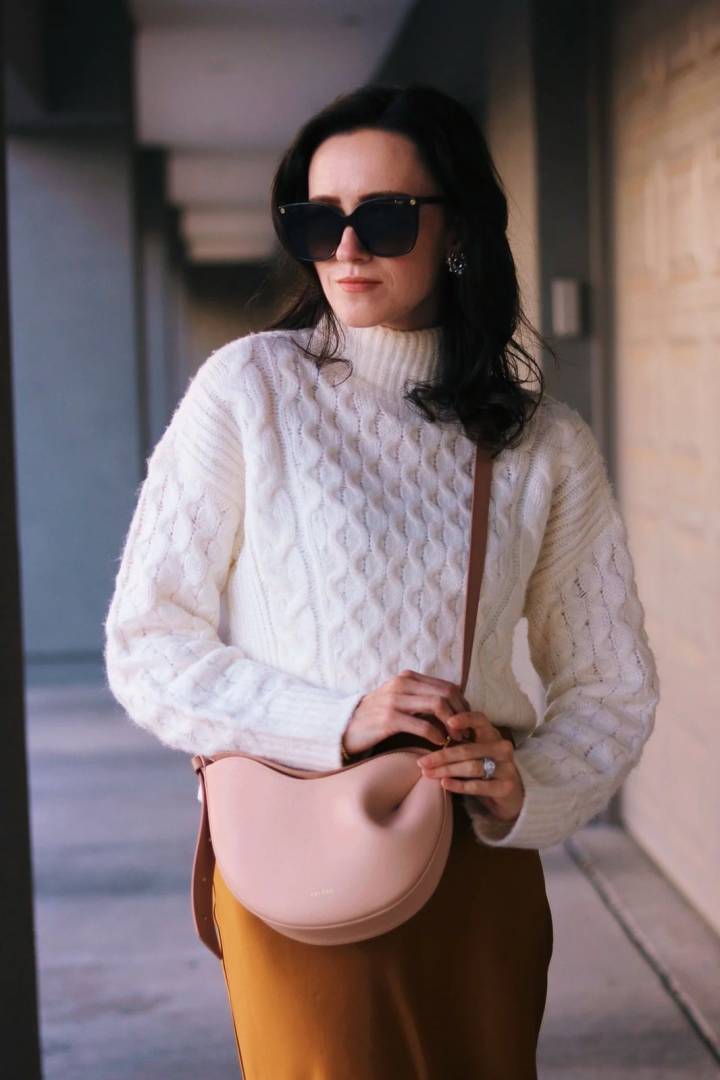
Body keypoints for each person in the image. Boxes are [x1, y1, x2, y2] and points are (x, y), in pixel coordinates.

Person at [103, 82, 660, 1079]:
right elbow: (149, 642)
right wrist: (338, 720)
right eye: (318, 220)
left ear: (458, 232)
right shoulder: (251, 390)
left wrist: (527, 788)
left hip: (477, 871)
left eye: (386, 217)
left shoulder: (542, 442)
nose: (348, 248)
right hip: (299, 860)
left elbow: (610, 686)